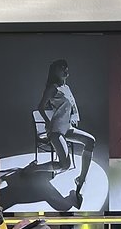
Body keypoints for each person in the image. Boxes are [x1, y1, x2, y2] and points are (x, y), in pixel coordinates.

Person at [38, 59, 97, 198]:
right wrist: (47, 122)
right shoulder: (52, 88)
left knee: (90, 141)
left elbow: (71, 106)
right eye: (61, 68)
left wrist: (73, 117)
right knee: (64, 165)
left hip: (67, 128)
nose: (65, 70)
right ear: (55, 71)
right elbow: (40, 107)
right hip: (56, 130)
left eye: (66, 67)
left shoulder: (66, 87)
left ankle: (81, 180)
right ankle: (35, 169)